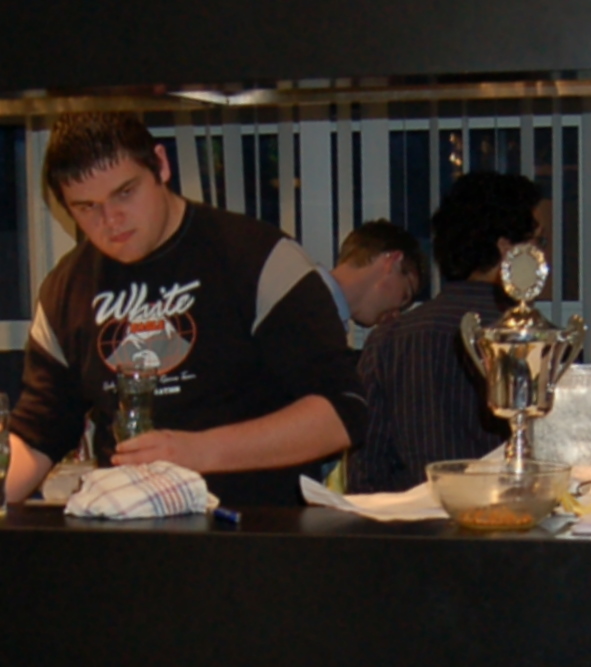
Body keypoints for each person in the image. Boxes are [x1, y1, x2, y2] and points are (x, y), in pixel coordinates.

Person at [4, 112, 366, 507]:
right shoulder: (66, 289)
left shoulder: (259, 259)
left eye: (125, 192)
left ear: (161, 165)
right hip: (128, 529)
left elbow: (342, 414)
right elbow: (39, 433)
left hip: (257, 529)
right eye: (87, 207)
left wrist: (197, 452)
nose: (111, 220)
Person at [347, 171, 542, 492]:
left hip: (411, 520)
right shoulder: (533, 342)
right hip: (511, 515)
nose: (543, 258)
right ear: (506, 250)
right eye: (537, 243)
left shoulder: (389, 339)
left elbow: (366, 470)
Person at [317, 219, 424, 330]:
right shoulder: (308, 298)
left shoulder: (327, 327)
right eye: (404, 296)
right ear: (393, 261)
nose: (396, 315)